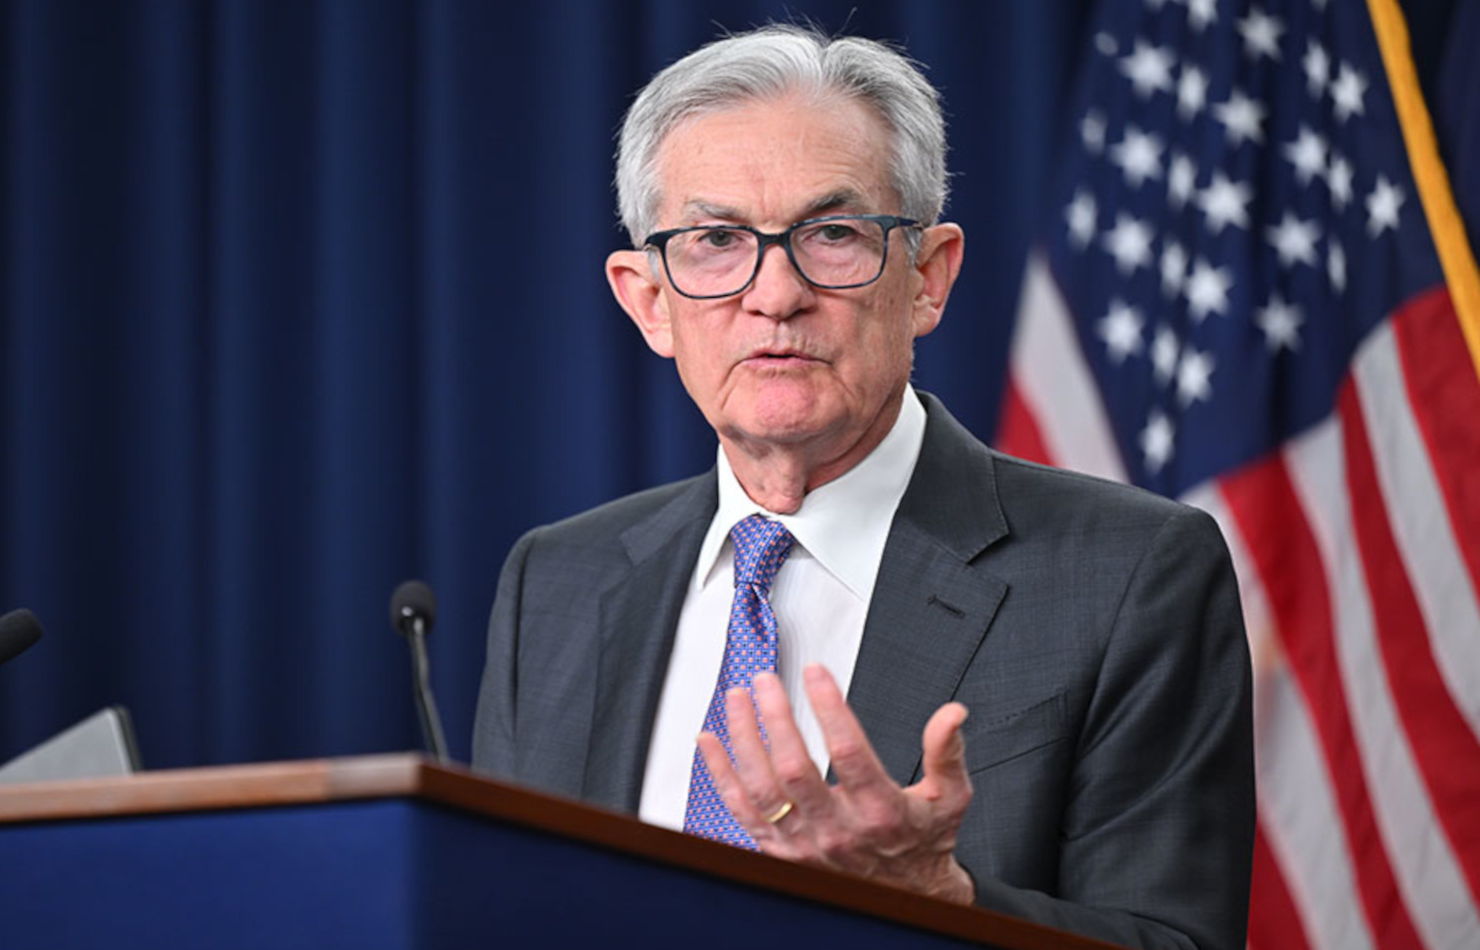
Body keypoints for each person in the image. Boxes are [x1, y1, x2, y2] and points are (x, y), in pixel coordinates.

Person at [472, 24, 1252, 950]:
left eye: (832, 235)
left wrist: (939, 904)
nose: (774, 295)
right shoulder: (557, 582)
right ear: (650, 301)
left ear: (927, 278)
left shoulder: (1129, 573)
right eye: (717, 240)